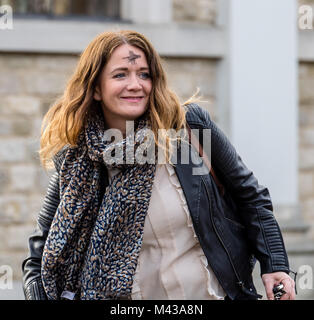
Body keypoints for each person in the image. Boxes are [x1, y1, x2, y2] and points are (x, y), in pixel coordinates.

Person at [22, 30, 296, 300]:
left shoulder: (189, 128)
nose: (135, 84)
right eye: (120, 75)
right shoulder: (78, 161)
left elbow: (252, 196)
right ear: (95, 88)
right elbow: (40, 255)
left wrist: (275, 267)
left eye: (144, 74)